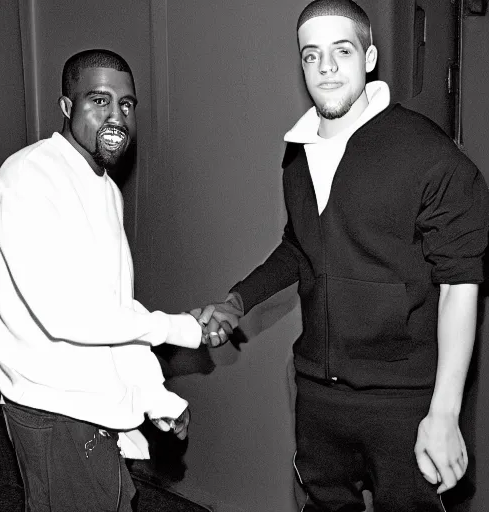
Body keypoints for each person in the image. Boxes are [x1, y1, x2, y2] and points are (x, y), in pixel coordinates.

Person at [193, 1, 489, 510]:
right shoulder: (297, 151)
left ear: (369, 57)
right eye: (312, 55)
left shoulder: (429, 155)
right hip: (319, 395)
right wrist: (239, 300)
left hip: (403, 398)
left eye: (342, 50)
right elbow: (301, 247)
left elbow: (459, 283)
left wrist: (444, 411)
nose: (326, 67)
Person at [0, 49, 203, 512]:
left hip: (91, 408)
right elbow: (64, 314)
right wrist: (179, 328)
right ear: (66, 107)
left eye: (126, 104)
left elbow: (113, 308)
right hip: (53, 411)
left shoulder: (105, 189)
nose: (116, 116)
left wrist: (151, 394)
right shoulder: (29, 175)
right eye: (99, 100)